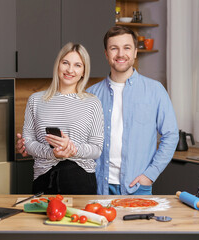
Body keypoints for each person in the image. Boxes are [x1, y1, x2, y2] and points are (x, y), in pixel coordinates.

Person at [18, 26, 178, 195]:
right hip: (99, 183)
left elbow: (171, 135)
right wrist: (29, 145)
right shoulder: (92, 94)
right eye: (114, 48)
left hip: (137, 184)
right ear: (106, 54)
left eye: (127, 48)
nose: (120, 54)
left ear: (135, 52)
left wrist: (150, 175)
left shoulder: (154, 90)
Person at [21, 42, 104, 195]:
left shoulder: (93, 103)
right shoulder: (35, 100)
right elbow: (28, 143)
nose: (70, 70)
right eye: (65, 63)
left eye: (77, 65)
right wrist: (53, 153)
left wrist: (72, 149)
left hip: (80, 179)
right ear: (58, 65)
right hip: (44, 179)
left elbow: (97, 149)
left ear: (84, 71)